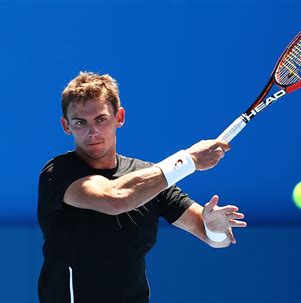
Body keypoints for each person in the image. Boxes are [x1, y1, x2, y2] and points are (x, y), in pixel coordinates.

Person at [37, 71, 247, 303]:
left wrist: (214, 227)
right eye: (80, 122)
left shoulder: (149, 177)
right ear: (66, 126)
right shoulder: (58, 173)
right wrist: (189, 160)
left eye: (100, 119)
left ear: (119, 117)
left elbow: (216, 239)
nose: (92, 132)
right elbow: (116, 198)